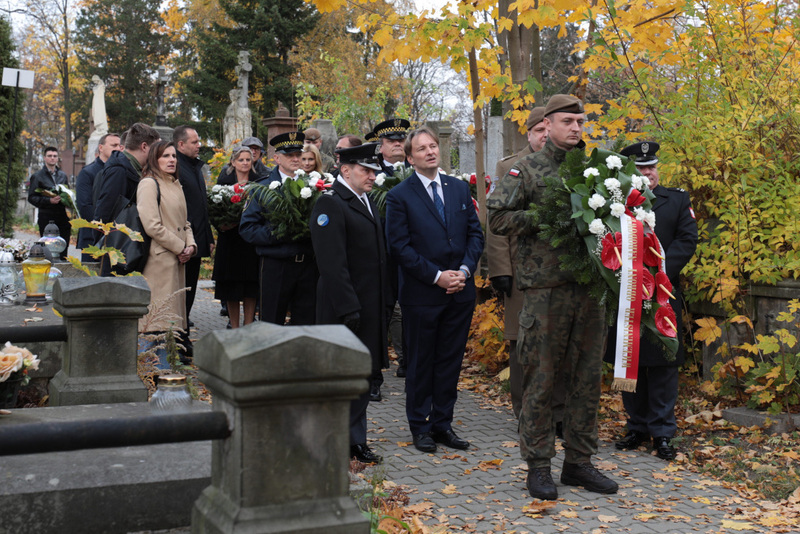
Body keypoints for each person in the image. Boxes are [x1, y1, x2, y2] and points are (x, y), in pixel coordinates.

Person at [488, 94, 618, 500]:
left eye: (580, 122)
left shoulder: (595, 171)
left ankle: (579, 462)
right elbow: (497, 218)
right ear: (548, 124)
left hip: (588, 289)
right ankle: (538, 466)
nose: (576, 128)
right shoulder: (524, 169)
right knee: (541, 381)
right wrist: (543, 218)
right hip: (545, 293)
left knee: (586, 381)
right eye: (567, 121)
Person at [385, 127, 484, 454]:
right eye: (422, 149)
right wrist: (438, 276)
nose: (430, 152)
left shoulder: (458, 189)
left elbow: (475, 235)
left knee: (450, 361)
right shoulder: (400, 195)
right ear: (410, 157)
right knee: (422, 362)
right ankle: (420, 426)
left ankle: (443, 423)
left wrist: (465, 271)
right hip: (423, 295)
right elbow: (399, 247)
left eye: (433, 146)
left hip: (460, 292)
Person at [609, 141, 698, 461]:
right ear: (631, 171)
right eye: (642, 168)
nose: (649, 173)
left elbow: (688, 240)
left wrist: (658, 271)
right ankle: (636, 427)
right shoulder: (616, 203)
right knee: (629, 360)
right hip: (625, 294)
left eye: (652, 167)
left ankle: (662, 432)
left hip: (663, 293)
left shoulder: (676, 200)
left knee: (663, 362)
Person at [310, 142, 390, 464]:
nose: (372, 176)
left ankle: (355, 441)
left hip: (368, 306)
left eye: (374, 170)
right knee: (342, 377)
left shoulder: (364, 199)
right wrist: (348, 307)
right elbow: (331, 263)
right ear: (345, 170)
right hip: (345, 309)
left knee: (362, 376)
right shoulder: (331, 204)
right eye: (366, 170)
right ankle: (334, 441)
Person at [487, 106, 547, 419]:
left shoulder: (570, 165)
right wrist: (500, 270)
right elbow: (496, 224)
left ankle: (556, 414)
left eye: (549, 130)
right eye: (540, 131)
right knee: (521, 345)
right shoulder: (509, 167)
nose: (545, 136)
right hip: (521, 272)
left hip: (557, 274)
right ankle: (525, 412)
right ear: (529, 132)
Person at [240, 131, 318, 326]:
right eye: (289, 155)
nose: (295, 159)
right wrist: (281, 233)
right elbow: (248, 228)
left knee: (306, 322)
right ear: (276, 158)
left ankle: (301, 358)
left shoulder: (313, 185)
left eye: (298, 155)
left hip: (308, 263)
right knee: (271, 321)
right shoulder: (262, 188)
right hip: (277, 263)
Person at [136, 141, 196, 370]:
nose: (172, 159)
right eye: (165, 156)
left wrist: (191, 246)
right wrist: (180, 247)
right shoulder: (149, 184)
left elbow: (185, 222)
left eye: (174, 155)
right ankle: (149, 376)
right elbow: (152, 225)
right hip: (159, 263)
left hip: (176, 261)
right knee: (153, 325)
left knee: (169, 326)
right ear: (154, 159)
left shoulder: (175, 184)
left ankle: (164, 376)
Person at [374, 117, 411, 379]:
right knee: (380, 311)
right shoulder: (371, 172)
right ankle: (375, 370)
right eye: (391, 140)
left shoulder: (419, 168)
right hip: (380, 255)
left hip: (411, 255)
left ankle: (409, 364)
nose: (397, 144)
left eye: (401, 139)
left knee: (412, 309)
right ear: (381, 146)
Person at [212, 146, 259, 328]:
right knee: (231, 287)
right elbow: (215, 210)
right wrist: (223, 223)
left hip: (250, 241)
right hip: (230, 239)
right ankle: (234, 325)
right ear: (233, 162)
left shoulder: (258, 181)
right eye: (241, 160)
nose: (245, 163)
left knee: (250, 286)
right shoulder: (223, 182)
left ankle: (248, 324)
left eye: (248, 159)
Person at [174, 125, 214, 332]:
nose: (199, 146)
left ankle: (184, 335)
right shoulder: (177, 167)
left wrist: (207, 237)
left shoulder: (194, 167)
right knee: (181, 293)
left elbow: (201, 206)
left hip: (196, 239)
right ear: (181, 144)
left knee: (189, 291)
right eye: (194, 142)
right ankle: (180, 338)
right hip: (182, 243)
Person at [75, 133, 121, 260]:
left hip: (114, 238)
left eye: (119, 146)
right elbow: (85, 206)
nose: (117, 149)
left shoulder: (120, 172)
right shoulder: (87, 173)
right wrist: (101, 229)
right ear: (101, 148)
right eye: (113, 145)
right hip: (92, 237)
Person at [27, 146, 71, 260]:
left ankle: (64, 271)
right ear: (45, 158)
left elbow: (68, 192)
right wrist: (49, 201)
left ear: (57, 158)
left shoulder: (62, 175)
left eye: (55, 156)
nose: (52, 158)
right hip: (46, 217)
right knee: (48, 249)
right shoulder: (37, 176)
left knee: (63, 247)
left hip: (63, 217)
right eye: (50, 156)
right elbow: (31, 197)